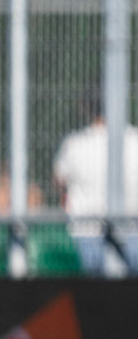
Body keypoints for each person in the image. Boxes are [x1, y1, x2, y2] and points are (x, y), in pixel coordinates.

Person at [51, 96, 138, 274]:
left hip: (86, 231)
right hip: (133, 229)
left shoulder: (75, 144)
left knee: (92, 297)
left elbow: (59, 181)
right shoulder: (135, 140)